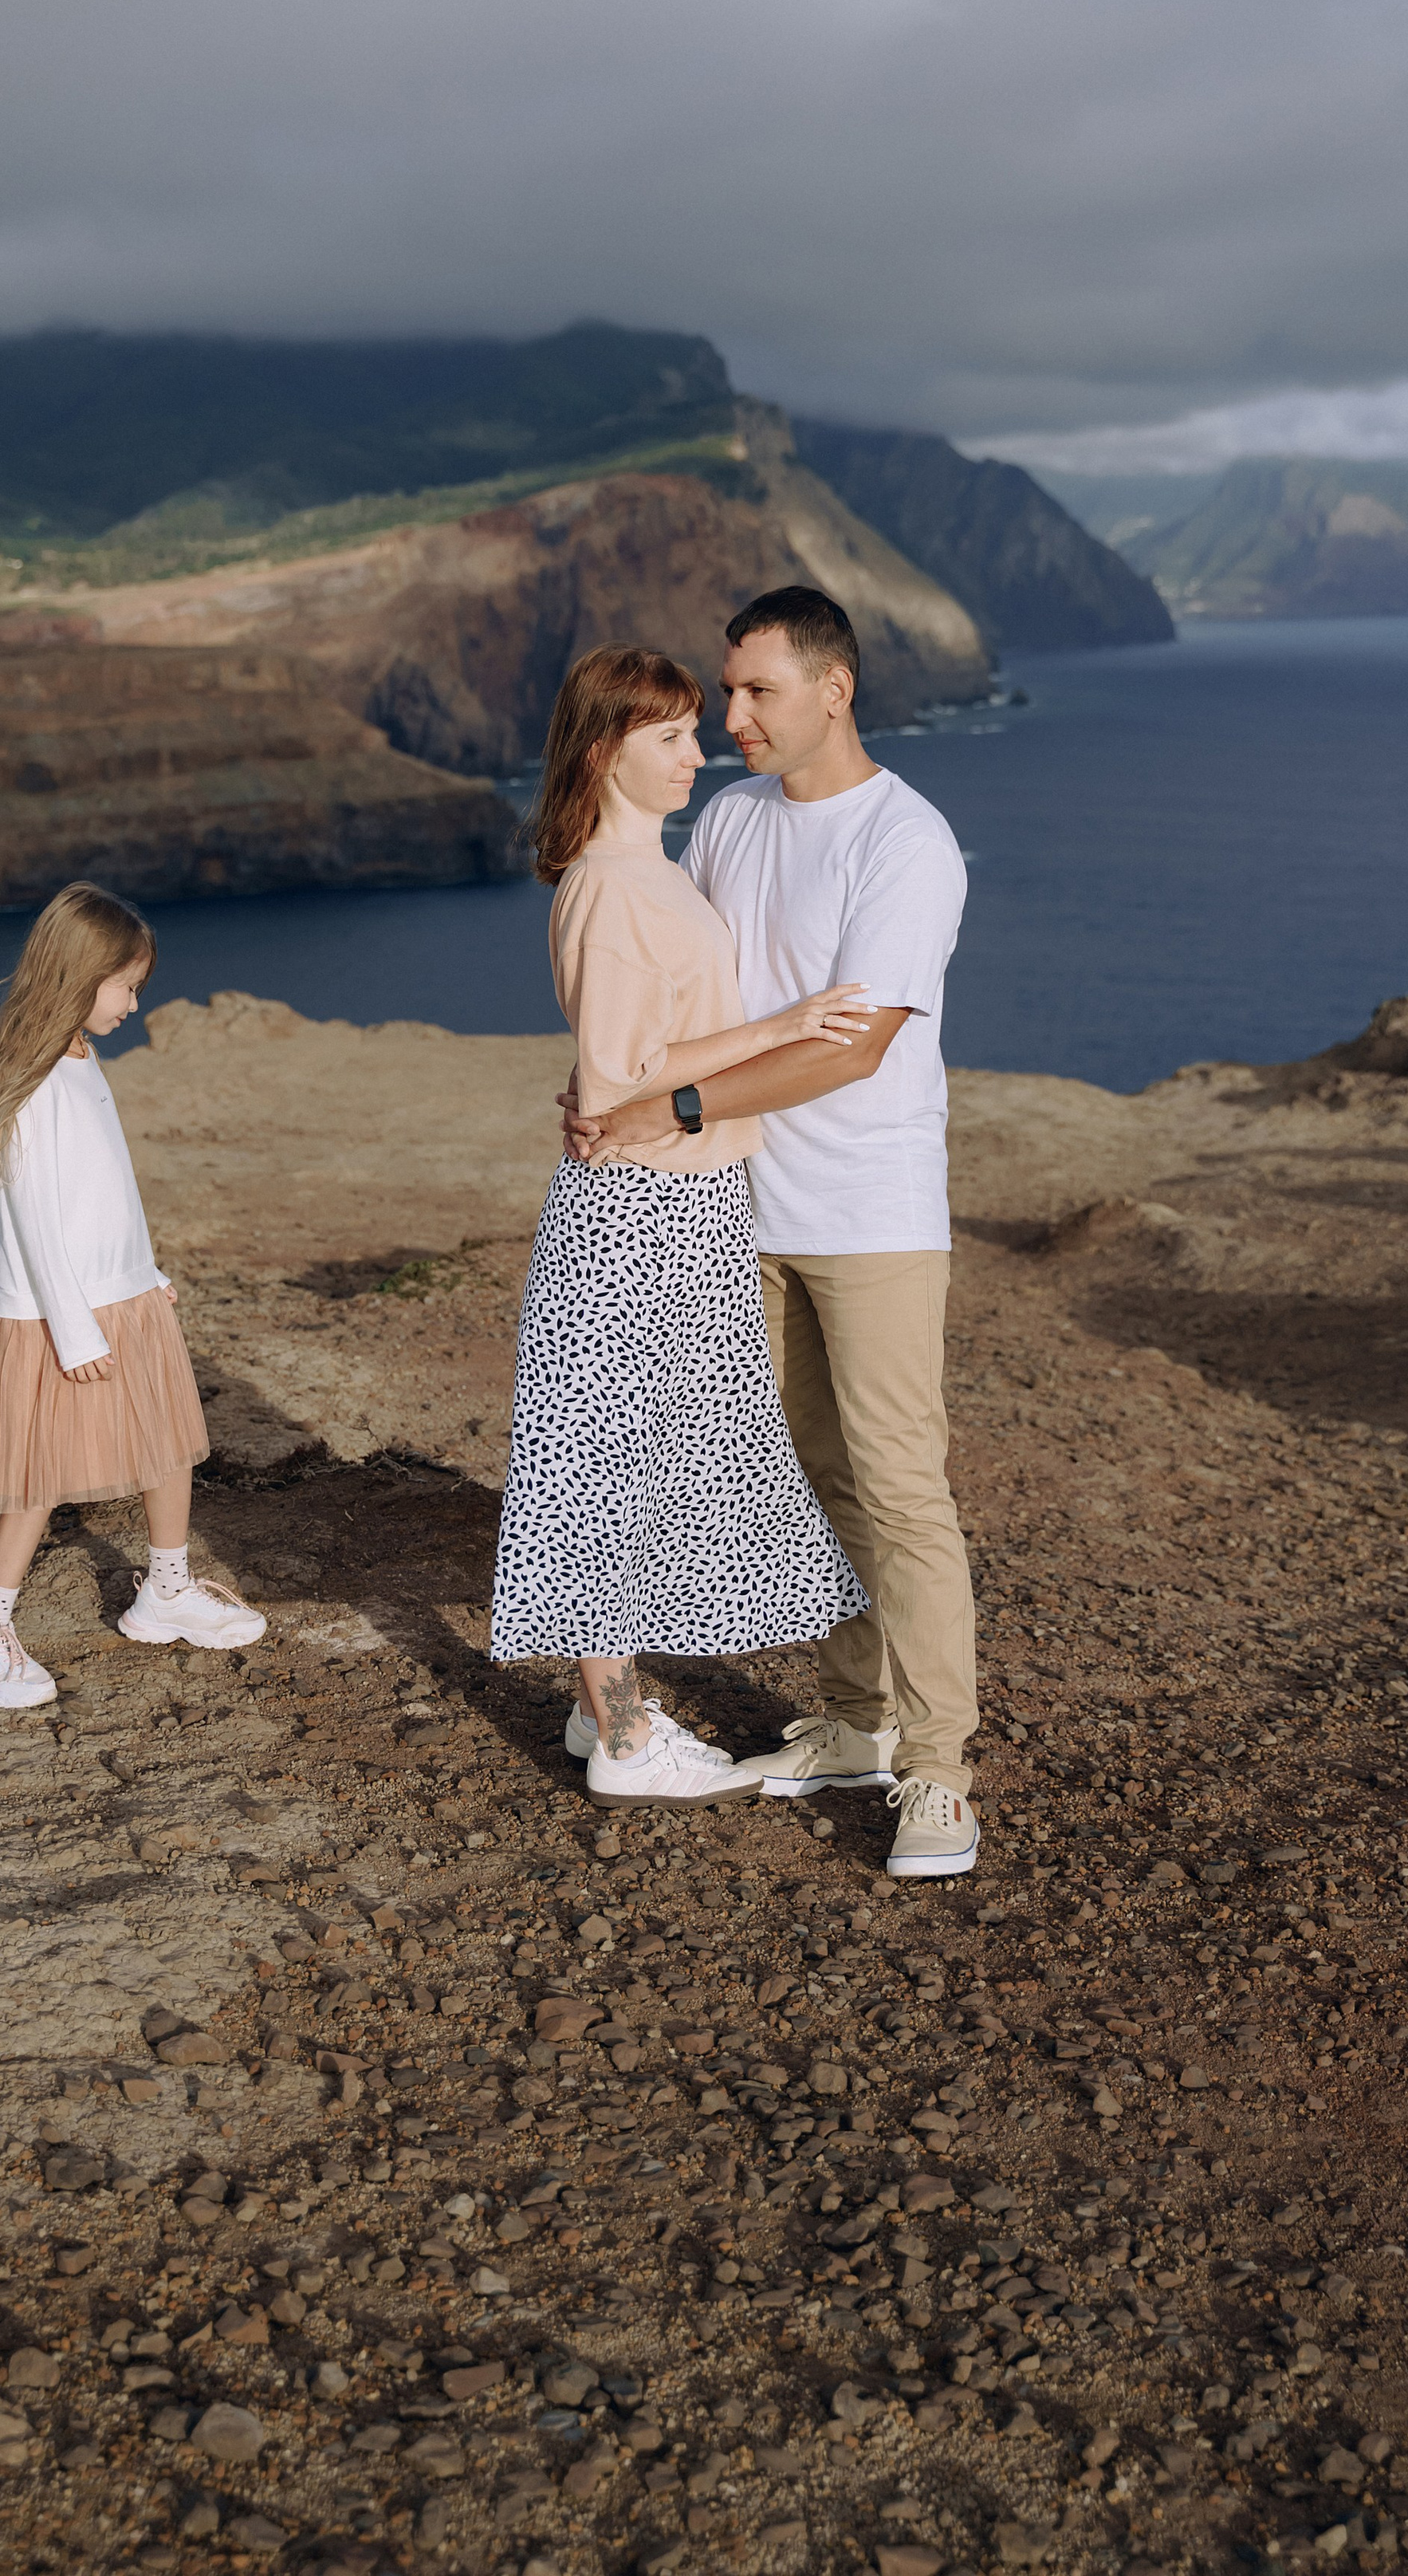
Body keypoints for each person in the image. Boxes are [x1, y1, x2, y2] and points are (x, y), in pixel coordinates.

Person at [566, 587, 978, 1879]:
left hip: (871, 1214)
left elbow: (852, 1048)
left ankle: (940, 1775)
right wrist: (614, 1088)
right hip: (744, 1207)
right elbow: (679, 992)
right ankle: (856, 1722)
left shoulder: (907, 841)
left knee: (905, 1489)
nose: (732, 716)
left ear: (833, 689)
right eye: (726, 693)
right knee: (823, 1484)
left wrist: (667, 1103)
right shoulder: (733, 823)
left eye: (757, 693)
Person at [490, 644, 872, 1802]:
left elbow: (614, 1068)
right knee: (608, 1463)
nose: (696, 755)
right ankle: (627, 1740)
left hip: (682, 1200)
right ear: (607, 749)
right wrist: (788, 1025)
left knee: (646, 1455)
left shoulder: (651, 869)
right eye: (670, 737)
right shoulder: (609, 887)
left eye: (695, 731)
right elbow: (618, 1084)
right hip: (638, 1208)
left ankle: (598, 1710)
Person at [0, 881, 265, 1708]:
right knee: (40, 1473)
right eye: (127, 986)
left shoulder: (83, 1060)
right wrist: (75, 1331)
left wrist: (143, 1271)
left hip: (121, 1294)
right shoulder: (37, 1077)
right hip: (61, 1313)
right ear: (78, 977)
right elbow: (37, 1219)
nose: (135, 1003)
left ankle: (165, 1589)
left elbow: (105, 1191)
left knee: (165, 1445)